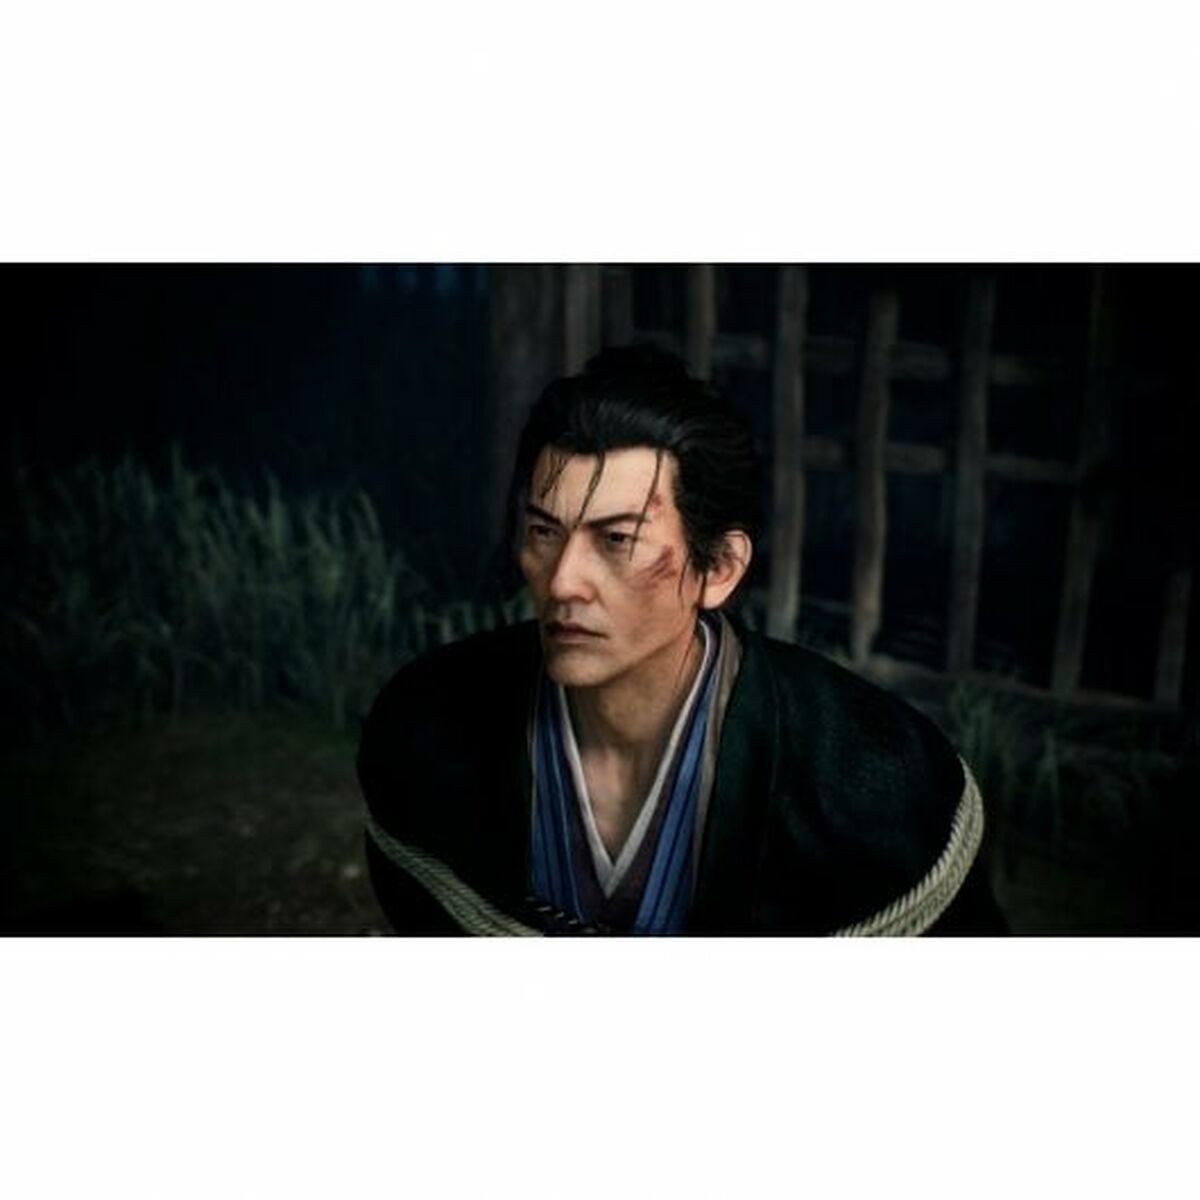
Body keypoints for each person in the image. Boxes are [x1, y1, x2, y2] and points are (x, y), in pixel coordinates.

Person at [358, 345, 1006, 935]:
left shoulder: (868, 783)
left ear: (719, 567)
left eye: (617, 540)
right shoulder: (427, 729)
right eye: (544, 532)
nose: (563, 581)